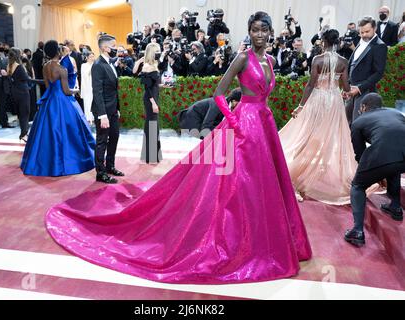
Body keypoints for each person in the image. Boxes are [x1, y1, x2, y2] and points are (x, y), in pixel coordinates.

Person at [45, 12, 312, 285]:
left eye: (264, 30)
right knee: (235, 188)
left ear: (270, 33)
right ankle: (240, 243)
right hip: (243, 129)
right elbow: (220, 93)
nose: (259, 35)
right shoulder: (243, 58)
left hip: (264, 127)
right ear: (249, 32)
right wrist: (234, 122)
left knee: (265, 186)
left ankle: (265, 242)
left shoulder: (269, 60)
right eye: (255, 30)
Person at [279, 29, 379, 204]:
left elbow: (310, 85)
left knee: (309, 134)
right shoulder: (343, 61)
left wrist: (301, 106)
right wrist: (348, 92)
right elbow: (346, 86)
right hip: (334, 101)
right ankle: (318, 174)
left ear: (323, 41)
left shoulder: (318, 59)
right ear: (337, 42)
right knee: (330, 136)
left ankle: (297, 174)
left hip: (318, 99)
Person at [20, 40, 95, 177]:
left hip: (49, 101)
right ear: (58, 52)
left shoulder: (45, 66)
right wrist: (76, 90)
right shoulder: (62, 69)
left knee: (46, 132)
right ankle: (66, 161)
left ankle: (46, 162)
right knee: (71, 131)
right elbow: (66, 91)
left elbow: (48, 86)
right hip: (63, 102)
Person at [345, 93, 405, 247]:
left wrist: (370, 173)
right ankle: (396, 207)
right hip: (402, 155)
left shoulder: (359, 122)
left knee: (357, 186)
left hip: (384, 154)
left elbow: (359, 153)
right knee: (394, 165)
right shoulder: (396, 113)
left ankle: (357, 231)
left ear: (363, 107)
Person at [91, 34, 125, 184]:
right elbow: (97, 92)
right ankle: (100, 172)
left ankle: (110, 166)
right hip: (103, 111)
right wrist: (102, 115)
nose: (115, 48)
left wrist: (116, 108)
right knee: (102, 141)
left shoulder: (109, 63)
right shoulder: (98, 65)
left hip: (112, 109)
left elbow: (113, 89)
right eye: (113, 46)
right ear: (105, 48)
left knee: (115, 137)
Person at [345, 16, 388, 125]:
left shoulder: (380, 46)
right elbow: (352, 65)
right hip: (351, 90)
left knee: (358, 123)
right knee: (346, 122)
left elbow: (378, 73)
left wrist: (359, 88)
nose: (364, 35)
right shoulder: (361, 40)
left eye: (367, 32)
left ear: (375, 28)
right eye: (361, 32)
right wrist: (346, 86)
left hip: (365, 92)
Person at [139, 43, 163, 164]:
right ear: (152, 52)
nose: (159, 52)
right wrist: (153, 103)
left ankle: (151, 155)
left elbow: (153, 84)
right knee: (152, 125)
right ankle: (151, 156)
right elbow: (148, 88)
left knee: (153, 125)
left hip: (154, 97)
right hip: (150, 99)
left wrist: (162, 85)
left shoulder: (154, 65)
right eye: (157, 50)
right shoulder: (147, 66)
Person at [7, 48, 30, 142]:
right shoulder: (19, 66)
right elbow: (26, 79)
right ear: (18, 55)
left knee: (21, 114)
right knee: (25, 113)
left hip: (14, 91)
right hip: (22, 92)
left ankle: (23, 134)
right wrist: (43, 81)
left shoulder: (9, 65)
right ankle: (24, 134)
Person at [80, 51, 95, 125]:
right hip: (87, 86)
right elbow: (86, 75)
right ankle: (89, 118)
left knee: (94, 101)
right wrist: (92, 66)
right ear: (87, 58)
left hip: (94, 85)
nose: (92, 58)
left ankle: (94, 118)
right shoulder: (84, 65)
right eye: (91, 57)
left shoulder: (95, 64)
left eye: (93, 56)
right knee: (88, 102)